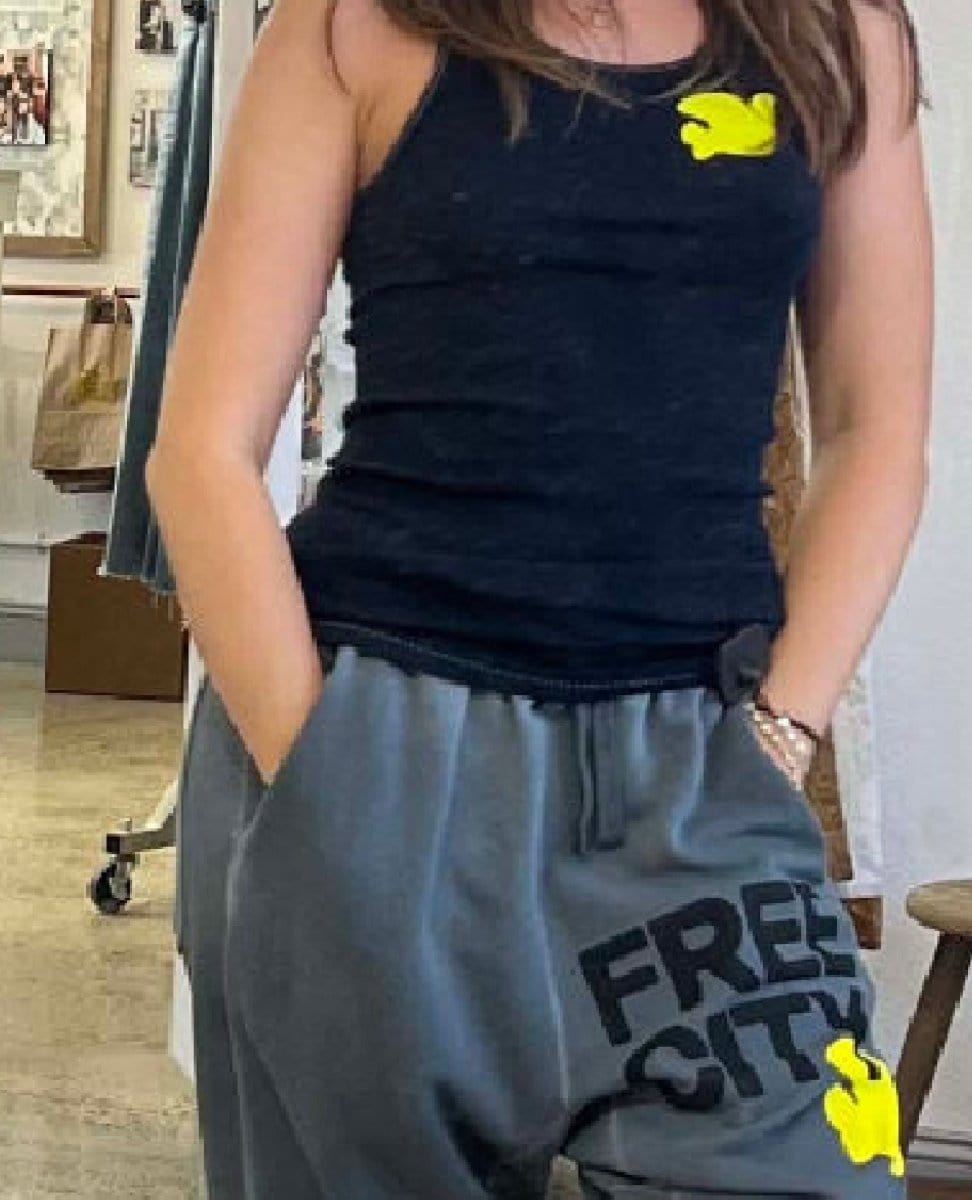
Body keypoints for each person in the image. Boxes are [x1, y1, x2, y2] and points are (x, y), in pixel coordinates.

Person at [148, 0, 933, 1196]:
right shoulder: (349, 23)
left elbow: (878, 431)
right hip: (379, 734)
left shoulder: (837, 32)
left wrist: (781, 738)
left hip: (703, 758)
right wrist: (319, 774)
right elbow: (201, 449)